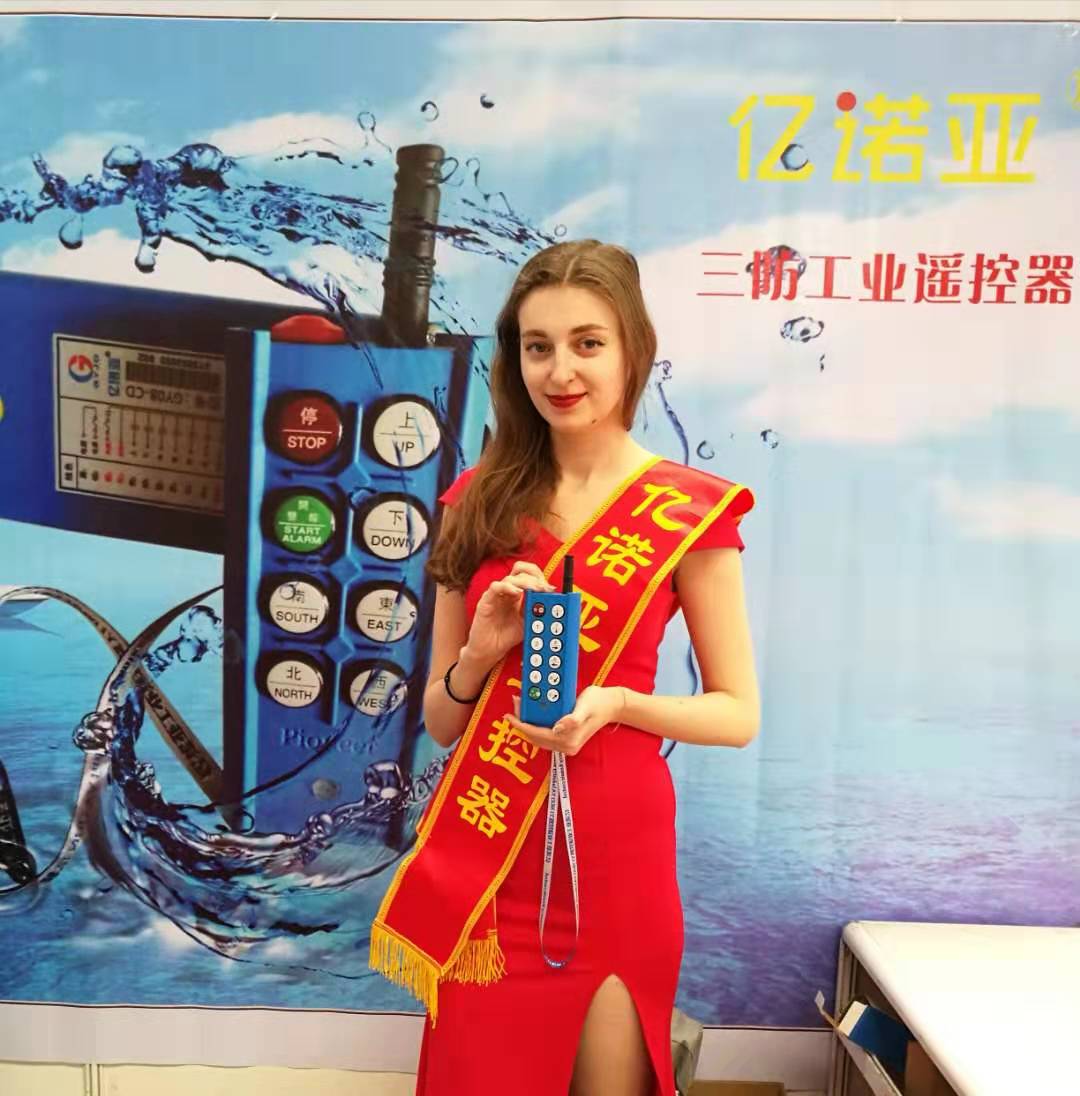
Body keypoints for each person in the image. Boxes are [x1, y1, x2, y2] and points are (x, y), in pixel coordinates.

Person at [370, 239, 760, 1096]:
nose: (561, 371)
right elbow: (441, 720)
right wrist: (480, 655)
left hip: (617, 861)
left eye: (588, 343)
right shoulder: (474, 500)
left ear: (633, 349)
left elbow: (737, 713)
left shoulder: (689, 512)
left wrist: (619, 704)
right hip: (487, 867)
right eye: (537, 346)